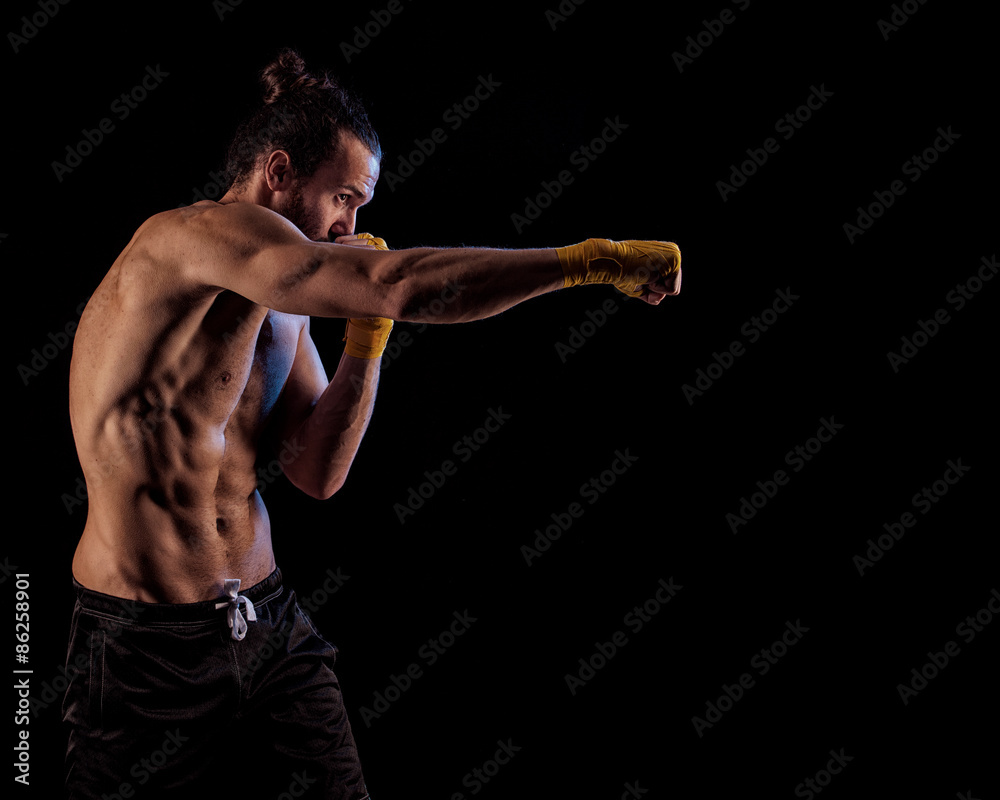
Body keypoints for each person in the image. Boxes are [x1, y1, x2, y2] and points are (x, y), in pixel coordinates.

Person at [61, 48, 681, 798]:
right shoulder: (183, 241)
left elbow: (315, 472)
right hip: (142, 647)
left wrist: (366, 339)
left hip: (267, 626)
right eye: (345, 198)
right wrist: (588, 262)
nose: (352, 224)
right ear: (279, 171)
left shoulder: (282, 306)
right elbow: (393, 282)